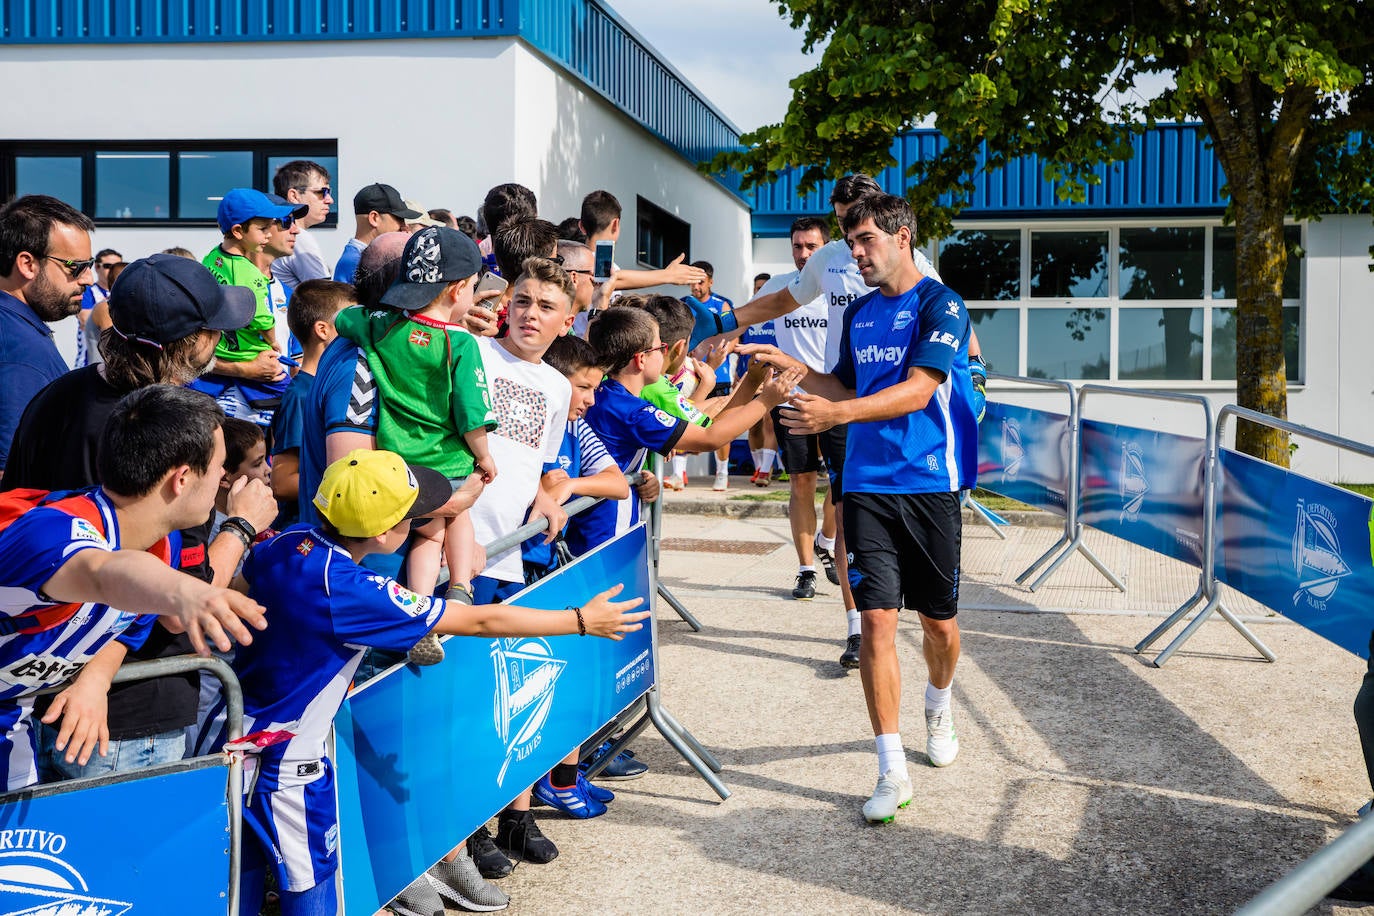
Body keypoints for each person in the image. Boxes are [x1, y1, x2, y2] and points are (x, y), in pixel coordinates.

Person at [232, 448, 647, 916]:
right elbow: (479, 622)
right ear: (387, 532)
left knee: (238, 882)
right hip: (288, 764)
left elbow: (241, 597)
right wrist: (579, 620)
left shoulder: (290, 541)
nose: (419, 522)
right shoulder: (351, 588)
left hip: (235, 737)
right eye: (412, 516)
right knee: (311, 890)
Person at [739, 193, 978, 824]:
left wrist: (835, 412)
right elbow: (843, 383)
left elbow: (919, 389)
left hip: (929, 485)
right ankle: (890, 769)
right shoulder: (863, 313)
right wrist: (793, 368)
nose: (856, 253)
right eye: (850, 242)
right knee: (875, 623)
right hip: (866, 485)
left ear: (902, 237)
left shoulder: (940, 303)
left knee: (940, 627)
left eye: (866, 239)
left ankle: (940, 699)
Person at [3, 254, 278, 781]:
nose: (220, 342)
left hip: (51, 697)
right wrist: (241, 525)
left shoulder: (55, 396)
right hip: (125, 716)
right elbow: (155, 598)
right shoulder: (180, 438)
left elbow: (133, 575)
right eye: (213, 330)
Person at [335, 226, 497, 665]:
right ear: (460, 289)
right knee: (441, 524)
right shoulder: (459, 343)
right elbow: (472, 412)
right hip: (445, 465)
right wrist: (484, 457)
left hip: (394, 465)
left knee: (423, 528)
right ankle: (440, 599)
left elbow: (344, 319)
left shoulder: (380, 326)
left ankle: (416, 611)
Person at [758, 217, 859, 629]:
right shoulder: (780, 287)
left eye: (811, 247)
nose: (803, 254)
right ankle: (806, 568)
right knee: (801, 482)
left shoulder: (841, 283)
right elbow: (746, 317)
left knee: (840, 488)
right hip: (793, 400)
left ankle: (829, 541)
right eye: (797, 246)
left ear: (827, 248)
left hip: (835, 398)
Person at [0, 194, 96, 477]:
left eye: (89, 265)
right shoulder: (19, 354)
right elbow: (8, 480)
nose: (88, 279)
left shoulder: (16, 329)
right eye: (76, 267)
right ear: (27, 264)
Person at [198, 188, 308, 425]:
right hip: (217, 415)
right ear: (240, 231)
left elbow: (295, 365)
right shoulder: (205, 279)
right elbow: (186, 357)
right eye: (286, 221)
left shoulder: (290, 294)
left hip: (271, 416)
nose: (296, 229)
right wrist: (242, 369)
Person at [270, 280, 355, 528]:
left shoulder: (327, 386)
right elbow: (282, 482)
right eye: (349, 321)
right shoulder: (300, 395)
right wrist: (347, 485)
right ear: (323, 330)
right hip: (304, 531)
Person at [577, 190, 705, 292]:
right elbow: (613, 278)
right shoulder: (600, 266)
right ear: (616, 224)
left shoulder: (573, 259)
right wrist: (668, 275)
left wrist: (668, 274)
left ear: (581, 226)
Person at [682, 260, 736, 490]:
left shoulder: (722, 304)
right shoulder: (685, 306)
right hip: (690, 373)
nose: (695, 287)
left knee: (720, 423)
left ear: (710, 282)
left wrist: (722, 353)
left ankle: (722, 473)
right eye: (692, 282)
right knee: (683, 415)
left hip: (719, 375)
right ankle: (678, 473)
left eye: (700, 282)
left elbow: (733, 337)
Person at [333, 183, 421, 283]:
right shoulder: (356, 263)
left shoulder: (358, 259)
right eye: (399, 218)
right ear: (374, 218)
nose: (405, 226)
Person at [271, 159, 336, 288]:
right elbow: (327, 296)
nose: (330, 200)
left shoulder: (278, 234)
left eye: (329, 192)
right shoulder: (298, 237)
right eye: (322, 192)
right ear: (294, 196)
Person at [77, 248, 122, 368]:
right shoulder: (87, 290)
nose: (113, 270)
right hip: (88, 363)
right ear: (97, 267)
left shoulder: (124, 294)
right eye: (108, 266)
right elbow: (85, 319)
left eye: (117, 266)